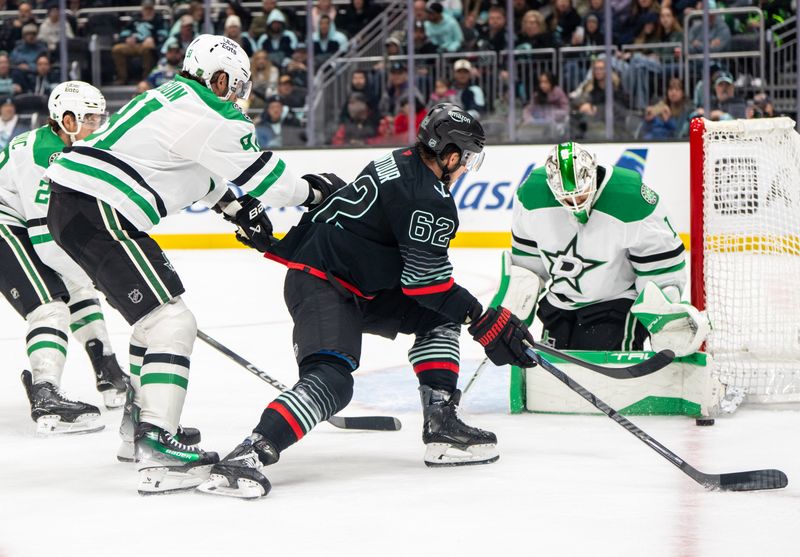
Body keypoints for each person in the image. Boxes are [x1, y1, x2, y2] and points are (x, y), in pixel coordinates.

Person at [43, 35, 344, 495]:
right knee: (172, 321)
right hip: (97, 208)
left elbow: (188, 170)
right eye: (235, 86)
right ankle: (157, 446)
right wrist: (316, 190)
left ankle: (137, 429)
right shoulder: (210, 112)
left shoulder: (170, 98)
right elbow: (273, 182)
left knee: (152, 321)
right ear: (218, 78)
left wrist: (235, 207)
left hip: (77, 206)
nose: (237, 97)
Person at [198, 103, 536, 499]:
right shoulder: (430, 199)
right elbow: (426, 284)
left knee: (437, 318)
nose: (465, 170)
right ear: (450, 155)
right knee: (332, 381)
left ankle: (441, 422)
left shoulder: (399, 159)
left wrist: (468, 315)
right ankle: (247, 455)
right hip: (323, 283)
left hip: (357, 282)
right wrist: (481, 318)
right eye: (467, 160)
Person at [0, 82, 129, 436]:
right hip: (6, 224)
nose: (96, 125)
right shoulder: (41, 153)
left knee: (79, 289)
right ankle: (45, 394)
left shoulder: (76, 150)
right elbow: (48, 238)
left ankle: (108, 371)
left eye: (98, 117)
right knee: (50, 307)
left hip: (25, 224)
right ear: (66, 118)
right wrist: (103, 276)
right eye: (89, 118)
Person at [509, 141, 700, 352]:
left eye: (581, 194)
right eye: (566, 198)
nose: (575, 203)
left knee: (606, 381)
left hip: (615, 305)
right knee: (556, 375)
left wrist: (664, 314)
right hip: (560, 307)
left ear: (593, 175)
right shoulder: (531, 195)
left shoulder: (630, 198)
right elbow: (527, 265)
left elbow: (661, 265)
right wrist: (513, 313)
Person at [112, 0, 168, 85]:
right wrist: (126, 39)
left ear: (153, 9)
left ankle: (146, 79)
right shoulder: (135, 18)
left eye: (150, 9)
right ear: (142, 9)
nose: (148, 11)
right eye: (146, 9)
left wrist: (154, 39)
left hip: (148, 45)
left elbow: (163, 34)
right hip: (133, 44)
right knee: (117, 49)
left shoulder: (158, 19)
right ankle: (122, 78)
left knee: (147, 49)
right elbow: (125, 31)